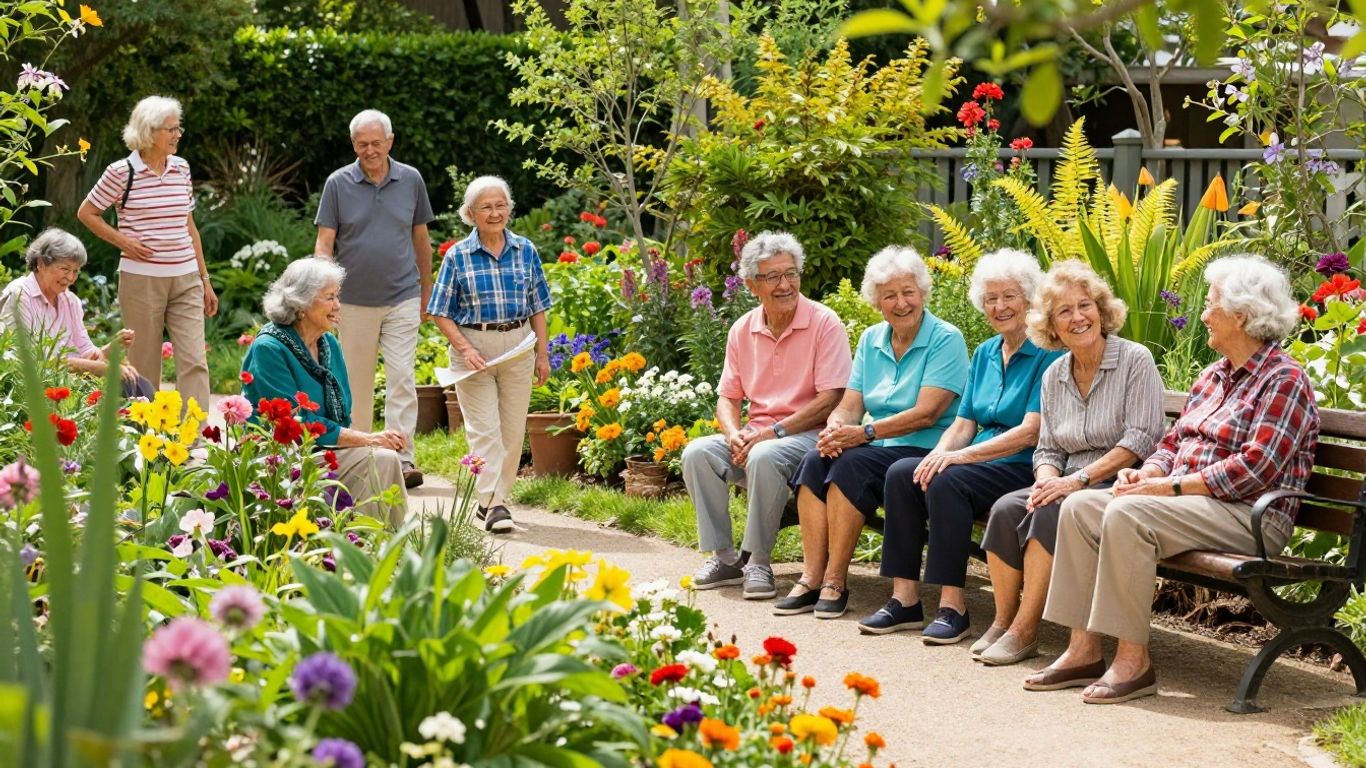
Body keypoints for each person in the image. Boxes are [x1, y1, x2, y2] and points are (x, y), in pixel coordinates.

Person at [1028, 254, 1319, 704]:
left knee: (1128, 514)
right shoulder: (1212, 377)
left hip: (1251, 516)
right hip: (1189, 504)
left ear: (1241, 315)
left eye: (1211, 303)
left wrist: (1165, 487)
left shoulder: (1284, 379)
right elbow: (1172, 443)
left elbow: (1256, 468)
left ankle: (1133, 663)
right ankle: (1083, 649)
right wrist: (1147, 471)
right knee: (1081, 506)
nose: (1203, 314)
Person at [859, 249, 1064, 641]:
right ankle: (905, 600)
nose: (1000, 306)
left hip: (1020, 465)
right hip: (979, 463)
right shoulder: (986, 352)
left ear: (1029, 299)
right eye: (991, 299)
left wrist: (956, 459)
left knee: (947, 481)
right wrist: (937, 455)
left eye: (1009, 296)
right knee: (905, 472)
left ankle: (954, 606)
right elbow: (964, 421)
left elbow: (1030, 431)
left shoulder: (1047, 352)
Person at [976, 260, 1163, 666]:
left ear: (1102, 310)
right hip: (1069, 480)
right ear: (1052, 327)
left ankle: (1026, 630)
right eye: (1065, 311)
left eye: (1085, 306)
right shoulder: (1055, 374)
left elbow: (1139, 440)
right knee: (1008, 508)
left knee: (1052, 512)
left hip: (1119, 481)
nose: (1078, 318)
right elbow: (1047, 450)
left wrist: (1074, 481)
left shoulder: (1135, 360)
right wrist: (1046, 481)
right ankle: (1004, 621)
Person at [776, 246, 967, 619]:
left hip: (925, 449)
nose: (901, 303)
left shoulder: (946, 338)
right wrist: (836, 427)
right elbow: (849, 404)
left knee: (853, 465)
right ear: (876, 301)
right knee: (815, 459)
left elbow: (927, 414)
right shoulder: (871, 339)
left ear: (923, 293)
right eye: (890, 295)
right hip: (878, 447)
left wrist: (862, 433)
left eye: (908, 292)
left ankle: (835, 580)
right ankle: (812, 577)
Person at [682, 231, 851, 600]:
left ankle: (758, 559)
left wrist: (771, 433)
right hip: (760, 436)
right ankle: (725, 558)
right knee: (697, 453)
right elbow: (727, 398)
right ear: (751, 285)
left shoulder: (824, 323)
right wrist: (733, 435)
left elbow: (831, 399)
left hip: (811, 436)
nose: (785, 284)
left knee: (764, 454)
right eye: (772, 277)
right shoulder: (743, 328)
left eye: (791, 273)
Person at [314, 109, 435, 489]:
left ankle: (401, 457)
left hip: (402, 295)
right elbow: (324, 242)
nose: (370, 151)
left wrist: (427, 291)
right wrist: (321, 288)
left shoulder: (411, 180)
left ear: (390, 142)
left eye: (376, 143)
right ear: (354, 145)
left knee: (401, 378)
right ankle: (363, 454)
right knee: (355, 383)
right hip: (351, 302)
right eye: (362, 144)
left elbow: (421, 240)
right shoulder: (338, 183)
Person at [242, 258, 408, 525]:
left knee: (384, 460)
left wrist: (365, 441)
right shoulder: (269, 348)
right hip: (281, 459)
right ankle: (361, 546)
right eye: (330, 298)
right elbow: (291, 425)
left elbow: (342, 410)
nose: (338, 305)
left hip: (321, 450)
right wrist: (367, 439)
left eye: (337, 296)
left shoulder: (327, 342)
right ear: (301, 304)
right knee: (378, 456)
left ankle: (386, 549)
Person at [427, 176, 551, 533]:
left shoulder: (526, 250)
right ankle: (493, 503)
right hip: (474, 349)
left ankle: (494, 501)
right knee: (484, 431)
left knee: (512, 433)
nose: (495, 213)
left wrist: (542, 353)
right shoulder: (458, 255)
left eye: (501, 205)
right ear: (470, 213)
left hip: (517, 346)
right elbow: (439, 310)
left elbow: (538, 305)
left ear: (509, 209)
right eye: (486, 207)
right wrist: (464, 348)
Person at [77, 95, 216, 409]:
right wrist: (124, 242)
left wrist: (204, 279)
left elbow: (189, 225)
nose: (178, 135)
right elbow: (87, 213)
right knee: (145, 362)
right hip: (142, 281)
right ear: (150, 132)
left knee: (194, 359)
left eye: (179, 128)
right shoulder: (120, 172)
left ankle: (192, 437)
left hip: (186, 278)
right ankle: (146, 434)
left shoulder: (181, 168)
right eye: (171, 129)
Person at [0, 229, 154, 398]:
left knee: (139, 385)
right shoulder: (20, 295)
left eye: (76, 271)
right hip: (37, 388)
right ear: (41, 264)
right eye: (65, 269)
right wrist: (102, 368)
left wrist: (112, 351)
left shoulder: (69, 301)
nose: (71, 278)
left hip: (71, 381)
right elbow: (35, 361)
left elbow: (87, 352)